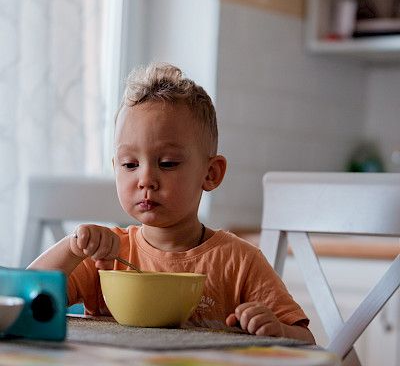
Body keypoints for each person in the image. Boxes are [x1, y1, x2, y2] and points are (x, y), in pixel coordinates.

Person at [28, 63, 314, 343]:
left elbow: (305, 339)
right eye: (129, 164)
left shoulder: (240, 263)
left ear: (210, 173)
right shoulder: (107, 256)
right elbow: (25, 295)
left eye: (167, 163)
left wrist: (277, 329)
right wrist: (72, 247)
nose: (146, 179)